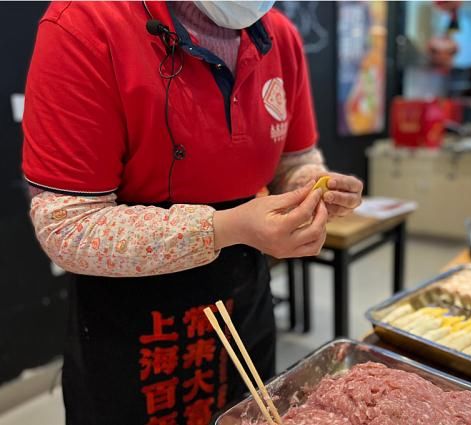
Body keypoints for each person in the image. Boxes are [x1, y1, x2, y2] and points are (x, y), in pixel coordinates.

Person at [21, 2, 363, 424]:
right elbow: (69, 225)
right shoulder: (86, 23)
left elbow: (293, 158)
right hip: (130, 321)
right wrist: (228, 226)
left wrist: (312, 186)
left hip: (242, 294)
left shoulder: (279, 36)